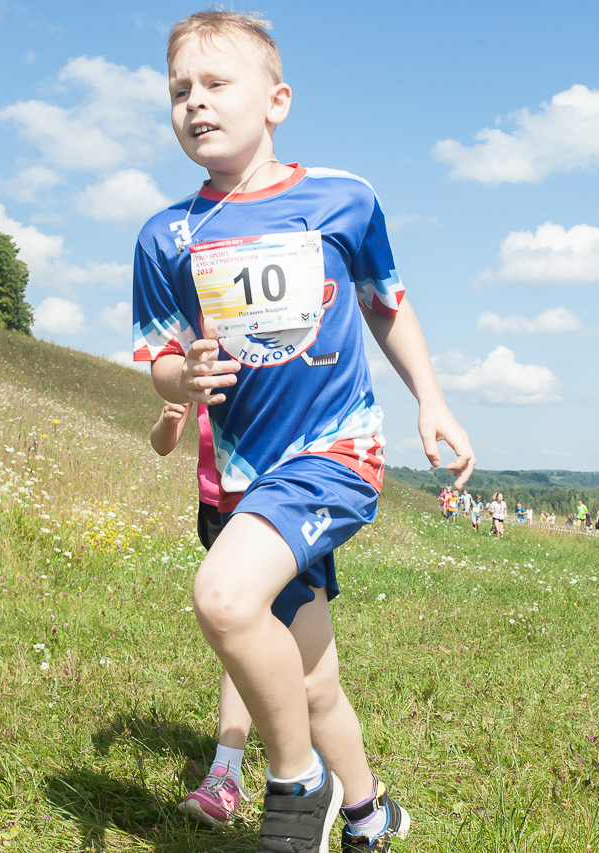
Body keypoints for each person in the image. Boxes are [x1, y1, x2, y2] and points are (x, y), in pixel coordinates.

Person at [134, 12, 477, 849]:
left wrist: (432, 400)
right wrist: (188, 377)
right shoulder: (164, 237)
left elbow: (385, 302)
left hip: (336, 453)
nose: (196, 103)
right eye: (180, 90)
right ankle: (369, 811)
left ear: (276, 99)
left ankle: (298, 782)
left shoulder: (343, 198)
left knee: (221, 596)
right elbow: (160, 362)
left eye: (216, 84)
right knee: (312, 678)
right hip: (248, 480)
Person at [151, 401, 253, 825]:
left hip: (280, 492)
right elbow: (162, 444)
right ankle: (228, 770)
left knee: (264, 625)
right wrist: (170, 418)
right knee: (242, 628)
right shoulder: (207, 347)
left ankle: (239, 767)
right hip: (217, 502)